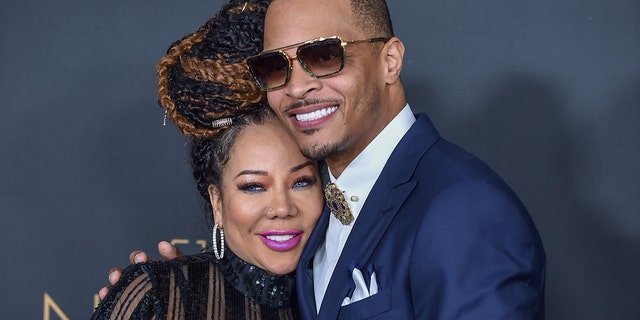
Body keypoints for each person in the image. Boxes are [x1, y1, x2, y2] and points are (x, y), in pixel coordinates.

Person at [106, 0, 546, 318]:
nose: (297, 87)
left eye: (324, 56)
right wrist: (186, 291)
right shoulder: (329, 213)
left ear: (390, 60)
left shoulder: (463, 208)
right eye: (277, 66)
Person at [92, 1, 323, 319]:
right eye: (254, 186)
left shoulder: (354, 292)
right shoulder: (159, 298)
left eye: (302, 181)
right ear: (217, 200)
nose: (282, 208)